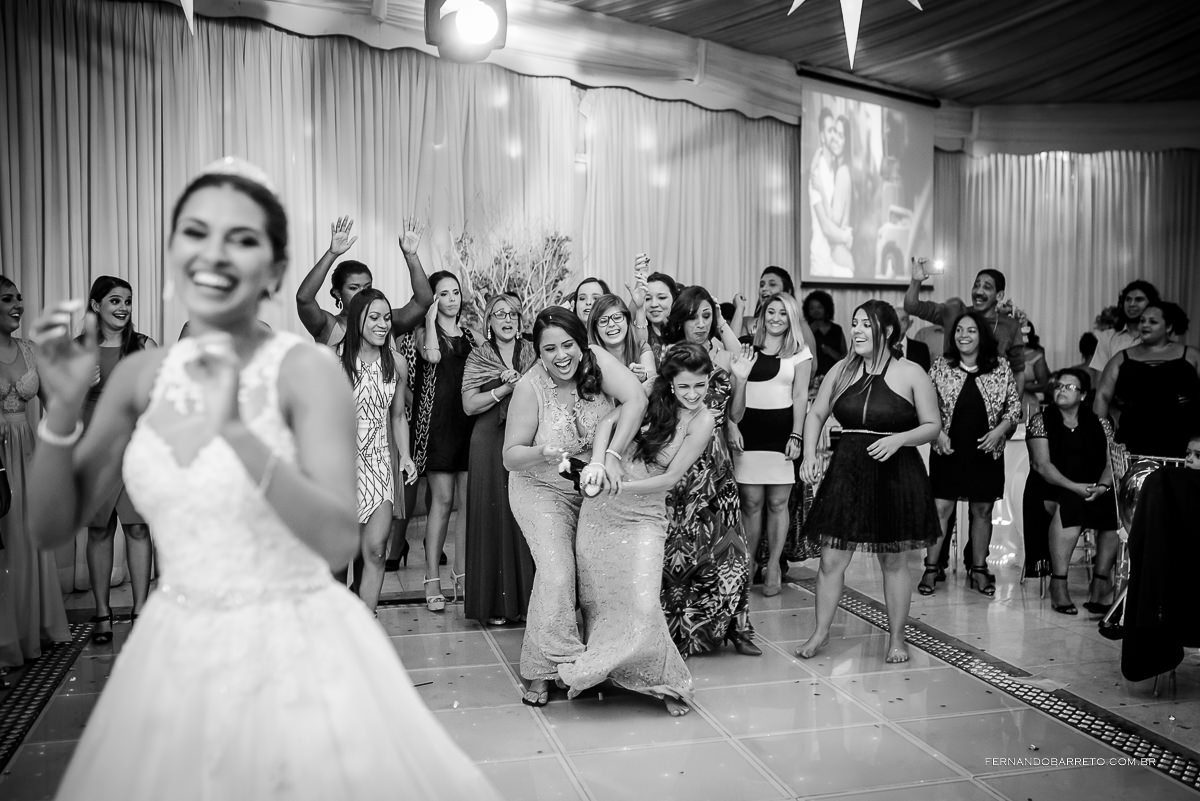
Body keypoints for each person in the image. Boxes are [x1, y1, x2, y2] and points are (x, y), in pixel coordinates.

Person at [24, 158, 501, 800]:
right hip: (178, 641)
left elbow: (337, 537)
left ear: (271, 270)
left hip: (291, 624)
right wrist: (57, 413)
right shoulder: (142, 375)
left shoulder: (304, 368)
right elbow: (52, 521)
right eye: (198, 237)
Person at [559, 344, 715, 717]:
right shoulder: (649, 393)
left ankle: (665, 681)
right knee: (600, 597)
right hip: (601, 510)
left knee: (643, 602)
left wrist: (618, 487)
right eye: (684, 387)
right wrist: (599, 465)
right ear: (671, 384)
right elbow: (607, 424)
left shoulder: (702, 421)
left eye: (700, 386)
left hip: (644, 515)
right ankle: (602, 671)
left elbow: (671, 478)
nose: (692, 395)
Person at [502, 307, 646, 706]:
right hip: (538, 488)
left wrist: (612, 454)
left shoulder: (597, 362)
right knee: (557, 571)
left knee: (597, 573)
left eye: (568, 345)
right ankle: (545, 670)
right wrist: (541, 453)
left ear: (581, 343)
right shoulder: (529, 387)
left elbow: (635, 397)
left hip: (591, 488)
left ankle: (600, 658)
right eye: (550, 349)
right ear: (538, 352)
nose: (561, 355)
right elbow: (510, 456)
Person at [796, 300, 941, 663]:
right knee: (831, 560)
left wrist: (898, 439)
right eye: (855, 323)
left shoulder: (911, 373)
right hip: (847, 470)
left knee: (893, 562)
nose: (857, 331)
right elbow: (815, 414)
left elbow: (932, 426)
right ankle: (820, 633)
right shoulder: (842, 370)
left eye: (866, 324)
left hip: (895, 472)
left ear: (888, 331)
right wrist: (810, 455)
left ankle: (897, 638)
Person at [658, 287, 759, 657]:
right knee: (681, 550)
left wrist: (741, 379)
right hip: (681, 462)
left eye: (706, 316)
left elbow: (734, 415)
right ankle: (680, 632)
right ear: (680, 319)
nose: (700, 324)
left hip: (717, 464)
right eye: (692, 316)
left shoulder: (723, 354)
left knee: (730, 550)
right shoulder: (665, 357)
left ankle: (737, 627)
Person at [80, 276, 157, 644]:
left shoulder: (143, 346)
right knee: (99, 530)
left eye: (127, 301)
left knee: (138, 529)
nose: (123, 307)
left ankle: (141, 609)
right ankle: (101, 612)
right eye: (114, 301)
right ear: (96, 306)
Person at [922, 311, 1021, 597]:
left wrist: (999, 431)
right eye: (959, 331)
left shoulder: (1000, 367)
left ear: (982, 336)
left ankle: (979, 569)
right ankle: (931, 568)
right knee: (941, 508)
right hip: (947, 448)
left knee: (983, 510)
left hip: (985, 450)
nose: (963, 336)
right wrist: (937, 432)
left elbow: (1014, 407)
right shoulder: (941, 366)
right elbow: (925, 402)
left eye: (971, 331)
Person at [0, 275, 70, 667]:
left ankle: (29, 629)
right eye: (7, 299)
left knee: (26, 538)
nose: (18, 305)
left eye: (19, 298)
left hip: (26, 452)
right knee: (4, 541)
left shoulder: (31, 350)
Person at [337, 288, 416, 613]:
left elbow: (397, 416)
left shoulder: (396, 362)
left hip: (379, 465)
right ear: (358, 319)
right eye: (375, 318)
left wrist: (406, 456)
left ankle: (365, 626)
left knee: (376, 551)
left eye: (386, 318)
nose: (383, 324)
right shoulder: (335, 359)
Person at [730, 293, 812, 597]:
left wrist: (797, 435)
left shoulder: (800, 353)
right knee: (751, 504)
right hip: (748, 434)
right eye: (770, 312)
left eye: (782, 313)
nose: (776, 318)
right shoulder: (746, 348)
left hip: (782, 437)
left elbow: (801, 397)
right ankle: (749, 562)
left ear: (791, 318)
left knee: (778, 504)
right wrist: (732, 426)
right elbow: (731, 389)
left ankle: (775, 564)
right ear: (761, 316)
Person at [462, 293, 535, 626]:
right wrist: (503, 389)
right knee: (492, 514)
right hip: (488, 441)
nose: (507, 320)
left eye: (513, 315)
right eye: (499, 314)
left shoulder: (534, 353)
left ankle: (529, 601)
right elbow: (468, 405)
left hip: (526, 440)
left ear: (520, 322)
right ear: (488, 321)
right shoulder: (479, 356)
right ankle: (494, 604)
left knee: (524, 515)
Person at [1023, 368, 1118, 615]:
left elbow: (1111, 464)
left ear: (1083, 395)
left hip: (1091, 488)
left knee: (1113, 508)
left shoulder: (1101, 423)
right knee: (1071, 505)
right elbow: (1042, 466)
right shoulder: (1041, 420)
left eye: (1069, 387)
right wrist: (1075, 487)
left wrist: (1102, 486)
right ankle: (1059, 583)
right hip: (1050, 490)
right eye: (1058, 386)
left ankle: (1100, 583)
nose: (1061, 390)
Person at [412, 270, 478, 611]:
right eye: (444, 294)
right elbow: (434, 357)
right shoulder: (424, 333)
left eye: (455, 293)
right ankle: (431, 578)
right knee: (442, 500)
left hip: (467, 424)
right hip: (436, 426)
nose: (452, 299)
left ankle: (462, 575)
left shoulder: (472, 337)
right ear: (433, 298)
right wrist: (430, 317)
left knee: (466, 505)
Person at [294, 215, 433, 348]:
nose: (363, 293)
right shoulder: (328, 325)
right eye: (354, 288)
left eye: (367, 287)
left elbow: (424, 301)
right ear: (337, 293)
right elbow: (304, 299)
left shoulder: (388, 322)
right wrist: (332, 254)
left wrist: (411, 256)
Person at [903, 260, 1025, 398]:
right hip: (953, 396)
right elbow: (911, 306)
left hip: (993, 401)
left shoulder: (1010, 326)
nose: (979, 291)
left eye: (987, 287)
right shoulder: (956, 313)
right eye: (976, 286)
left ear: (999, 296)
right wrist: (915, 281)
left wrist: (1015, 408)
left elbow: (1018, 370)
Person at [1094, 302, 1200, 458]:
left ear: (1169, 327)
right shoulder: (1121, 358)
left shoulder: (1191, 355)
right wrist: (1104, 435)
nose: (1145, 325)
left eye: (1153, 321)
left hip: (1182, 439)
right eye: (1142, 320)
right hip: (1133, 439)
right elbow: (1102, 396)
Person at [809, 109, 854, 279]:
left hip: (840, 262)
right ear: (822, 136)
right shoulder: (822, 171)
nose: (834, 137)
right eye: (832, 131)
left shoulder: (841, 172)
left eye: (839, 134)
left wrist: (821, 188)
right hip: (826, 261)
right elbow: (829, 227)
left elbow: (834, 219)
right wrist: (846, 236)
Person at [1088, 280, 1160, 382]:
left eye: (1139, 300)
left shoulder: (1158, 336)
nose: (1132, 304)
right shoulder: (1108, 337)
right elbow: (1100, 382)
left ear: (1151, 303)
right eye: (1128, 299)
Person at [587, 294, 656, 385]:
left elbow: (653, 377)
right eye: (603, 321)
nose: (611, 324)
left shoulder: (641, 346)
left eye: (617, 317)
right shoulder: (589, 357)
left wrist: (644, 376)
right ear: (595, 329)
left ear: (627, 321)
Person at [629, 269, 681, 362]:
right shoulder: (640, 333)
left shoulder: (684, 331)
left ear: (675, 299)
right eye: (648, 298)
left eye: (661, 298)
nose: (654, 304)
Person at [802, 290, 846, 379]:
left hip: (835, 377)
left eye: (820, 307)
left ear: (827, 308)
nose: (816, 311)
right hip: (811, 378)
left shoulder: (837, 329)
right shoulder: (805, 330)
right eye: (812, 308)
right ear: (807, 310)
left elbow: (845, 358)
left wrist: (831, 352)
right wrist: (809, 331)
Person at [1020, 319, 1051, 422]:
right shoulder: (1002, 353)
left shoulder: (1036, 355)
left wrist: (1022, 385)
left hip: (1027, 403)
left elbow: (1044, 385)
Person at [895, 306, 931, 371]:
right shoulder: (881, 348)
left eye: (903, 320)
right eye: (894, 319)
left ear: (910, 323)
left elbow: (925, 376)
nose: (898, 324)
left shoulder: (921, 348)